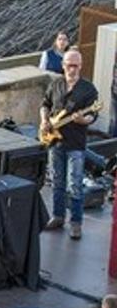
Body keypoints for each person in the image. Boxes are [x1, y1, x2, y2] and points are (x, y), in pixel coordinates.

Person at [41, 48, 98, 240]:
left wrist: (84, 120)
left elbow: (93, 115)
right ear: (63, 65)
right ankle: (57, 216)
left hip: (75, 142)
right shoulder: (56, 84)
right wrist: (43, 121)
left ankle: (76, 223)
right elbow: (45, 104)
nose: (71, 69)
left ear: (80, 66)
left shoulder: (88, 89)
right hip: (55, 141)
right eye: (68, 65)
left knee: (74, 184)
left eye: (75, 66)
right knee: (57, 182)